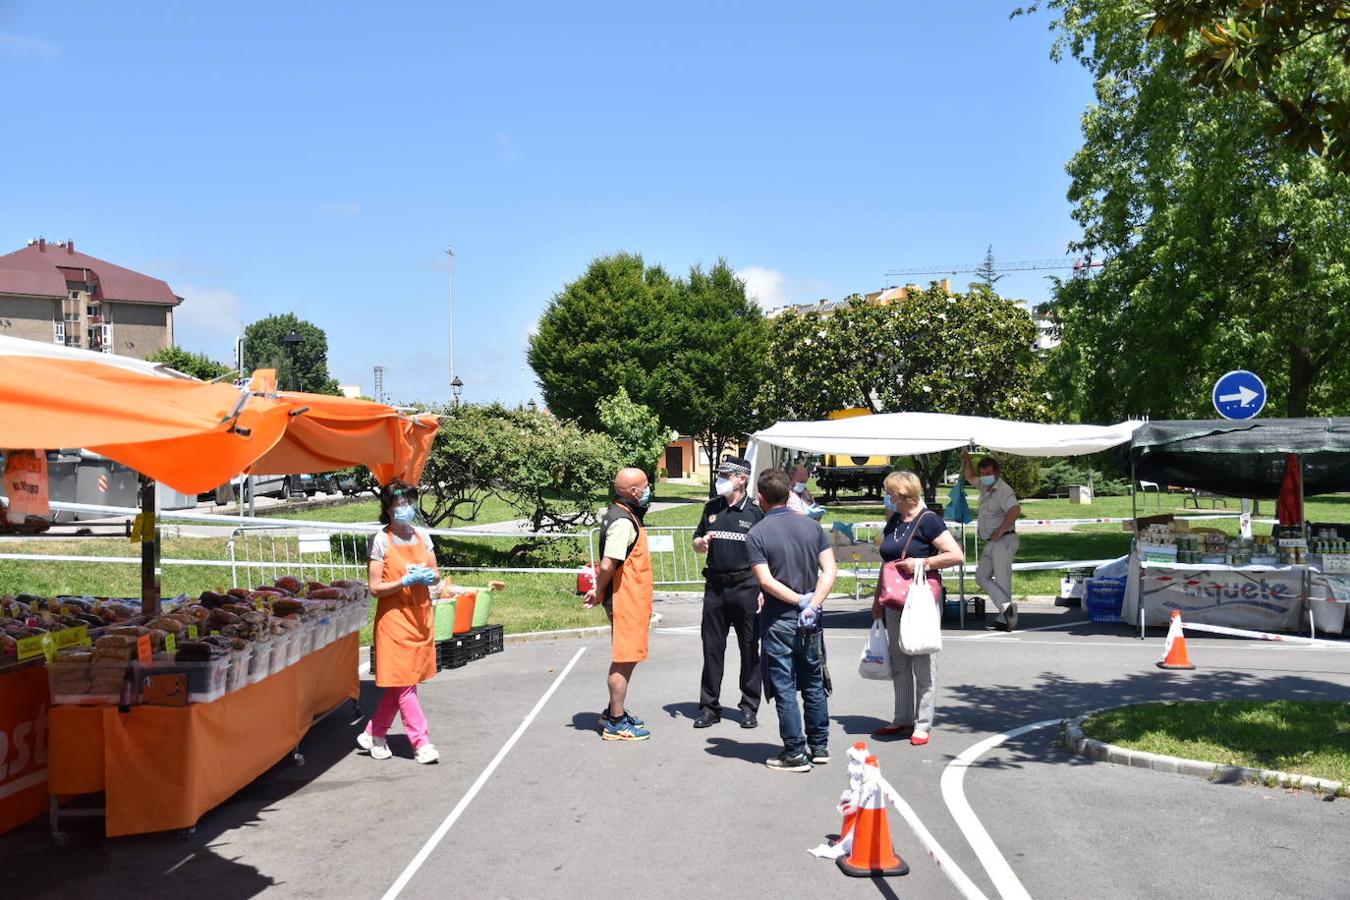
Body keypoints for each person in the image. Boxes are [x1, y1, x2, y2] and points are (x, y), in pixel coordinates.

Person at [746, 468, 835, 772]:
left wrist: (798, 601)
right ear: (789, 494)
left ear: (761, 498)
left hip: (779, 618)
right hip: (811, 619)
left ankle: (795, 752)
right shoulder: (812, 527)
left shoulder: (757, 534)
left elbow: (766, 581)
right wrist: (813, 603)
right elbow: (830, 571)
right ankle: (820, 745)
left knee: (785, 685)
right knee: (812, 680)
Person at [870, 471, 965, 746]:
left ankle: (923, 723)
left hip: (919, 598)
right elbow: (886, 561)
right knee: (898, 660)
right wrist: (877, 599)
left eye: (890, 493)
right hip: (894, 597)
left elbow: (956, 555)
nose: (887, 498)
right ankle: (902, 718)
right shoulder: (895, 521)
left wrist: (922, 564)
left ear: (902, 495)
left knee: (921, 658)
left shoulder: (929, 521)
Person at [359, 481, 443, 764]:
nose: (405, 509)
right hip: (394, 621)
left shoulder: (423, 536)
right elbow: (374, 587)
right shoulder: (381, 541)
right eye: (399, 505)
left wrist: (429, 577)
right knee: (405, 685)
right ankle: (421, 742)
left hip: (419, 618)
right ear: (388, 510)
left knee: (404, 683)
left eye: (408, 503)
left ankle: (375, 732)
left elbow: (436, 572)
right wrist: (403, 581)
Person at [691, 456, 764, 729]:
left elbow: (766, 555)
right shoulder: (712, 507)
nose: (720, 479)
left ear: (741, 479)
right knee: (711, 650)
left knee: (748, 648)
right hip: (716, 588)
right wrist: (701, 543)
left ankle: (748, 706)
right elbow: (696, 541)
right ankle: (709, 707)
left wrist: (762, 589)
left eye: (726, 475)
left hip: (746, 587)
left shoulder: (756, 513)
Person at [582, 467, 654, 741]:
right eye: (645, 486)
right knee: (624, 660)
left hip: (631, 597)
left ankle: (613, 709)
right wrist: (598, 590)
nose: (649, 490)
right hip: (625, 599)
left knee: (629, 657)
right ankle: (615, 721)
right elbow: (609, 563)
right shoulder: (623, 522)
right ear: (634, 492)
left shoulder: (623, 513)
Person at [962, 450, 1022, 631]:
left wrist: (1001, 530)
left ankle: (1006, 618)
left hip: (1004, 539)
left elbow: (1015, 510)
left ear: (997, 473)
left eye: (988, 474)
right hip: (992, 541)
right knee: (981, 576)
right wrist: (966, 459)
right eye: (983, 474)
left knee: (1003, 581)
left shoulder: (1003, 490)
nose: (984, 477)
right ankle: (1006, 608)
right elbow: (969, 475)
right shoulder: (984, 486)